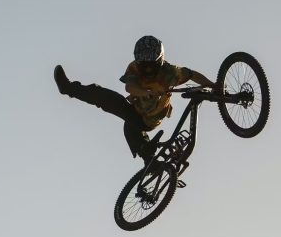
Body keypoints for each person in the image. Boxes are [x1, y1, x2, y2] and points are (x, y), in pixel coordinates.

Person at [54, 35, 219, 164]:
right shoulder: (134, 68)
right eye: (143, 65)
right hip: (135, 111)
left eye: (151, 66)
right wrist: (145, 92)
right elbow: (129, 87)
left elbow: (193, 75)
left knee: (130, 126)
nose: (146, 69)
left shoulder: (169, 73)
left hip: (150, 119)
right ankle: (150, 162)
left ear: (159, 62)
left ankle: (146, 151)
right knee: (105, 97)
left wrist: (213, 85)